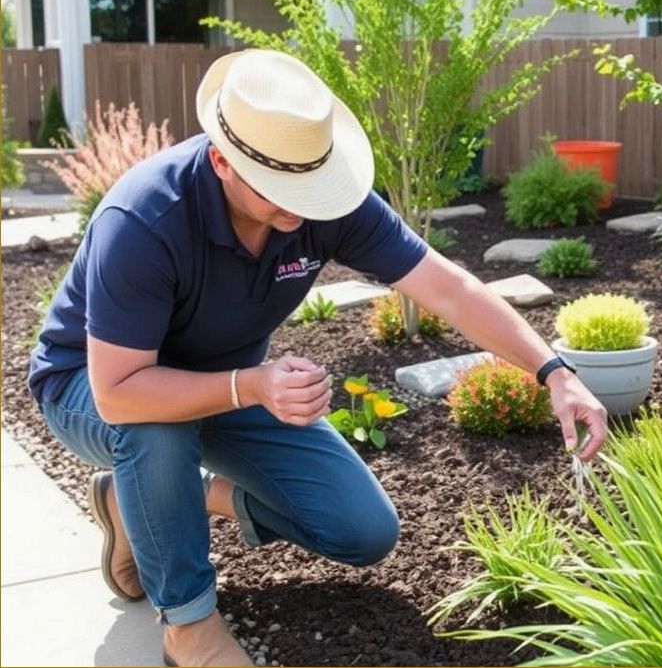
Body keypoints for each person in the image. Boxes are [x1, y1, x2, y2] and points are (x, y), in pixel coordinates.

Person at [27, 49, 608, 667]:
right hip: (93, 391)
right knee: (156, 430)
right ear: (222, 161)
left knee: (361, 531)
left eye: (309, 186)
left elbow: (449, 288)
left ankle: (137, 501)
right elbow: (120, 391)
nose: (300, 211)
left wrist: (556, 372)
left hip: (231, 387)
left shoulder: (318, 198)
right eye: (280, 192)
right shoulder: (144, 220)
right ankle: (189, 623)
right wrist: (252, 385)